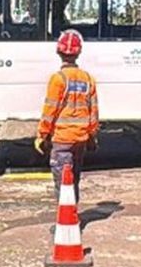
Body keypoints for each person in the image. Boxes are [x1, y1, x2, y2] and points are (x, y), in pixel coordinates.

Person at [34, 28, 99, 191]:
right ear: (79, 53)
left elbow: (50, 111)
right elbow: (93, 112)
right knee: (74, 180)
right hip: (80, 140)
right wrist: (92, 136)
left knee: (63, 183)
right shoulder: (88, 79)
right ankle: (74, 213)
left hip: (62, 139)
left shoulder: (58, 79)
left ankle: (67, 216)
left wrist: (42, 135)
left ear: (58, 52)